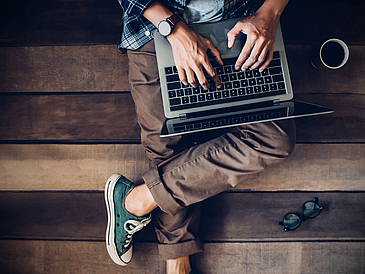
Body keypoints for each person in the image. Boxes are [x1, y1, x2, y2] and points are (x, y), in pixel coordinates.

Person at [105, 0, 294, 273]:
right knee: (165, 141)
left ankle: (137, 200)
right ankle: (178, 257)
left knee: (275, 140)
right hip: (155, 28)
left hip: (241, 27)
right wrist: (173, 29)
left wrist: (270, 12)